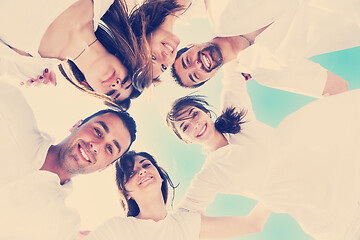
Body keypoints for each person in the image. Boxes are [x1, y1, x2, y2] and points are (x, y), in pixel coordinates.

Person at [166, 62, 360, 239]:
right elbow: (184, 218)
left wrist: (242, 68)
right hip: (322, 213)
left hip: (339, 172)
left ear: (206, 112)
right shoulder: (210, 174)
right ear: (185, 140)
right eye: (185, 127)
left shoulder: (235, 115)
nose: (195, 124)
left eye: (195, 114)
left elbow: (231, 69)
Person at [0, 80, 137, 240]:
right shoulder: (11, 110)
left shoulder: (62, 227)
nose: (96, 146)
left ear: (105, 167)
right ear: (76, 125)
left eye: (109, 149)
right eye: (98, 131)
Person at [171, 0, 360, 97]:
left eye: (187, 60)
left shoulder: (219, 7)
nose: (196, 66)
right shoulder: (266, 72)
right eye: (195, 76)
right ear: (209, 78)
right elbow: (337, 89)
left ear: (191, 45)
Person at [84, 150, 271, 240]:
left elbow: (253, 224)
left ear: (161, 176)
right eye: (131, 173)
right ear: (126, 193)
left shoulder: (185, 224)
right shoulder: (118, 229)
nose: (141, 171)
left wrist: (281, 182)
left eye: (145, 164)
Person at [0, 0, 150, 109]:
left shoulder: (28, 68)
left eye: (112, 92)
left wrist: (27, 72)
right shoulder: (102, 3)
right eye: (125, 81)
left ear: (87, 85)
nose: (116, 84)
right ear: (121, 58)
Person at [129, 0, 192, 90]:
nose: (166, 58)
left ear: (140, 40)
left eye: (153, 57)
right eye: (163, 67)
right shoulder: (189, 14)